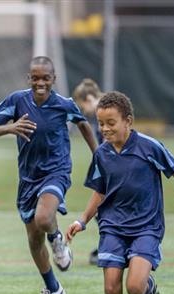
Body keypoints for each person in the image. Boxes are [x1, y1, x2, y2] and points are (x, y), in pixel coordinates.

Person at [66, 91, 174, 294]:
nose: (104, 129)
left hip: (146, 227)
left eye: (111, 123)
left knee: (135, 287)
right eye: (101, 123)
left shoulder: (149, 147)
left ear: (128, 121)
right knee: (112, 290)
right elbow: (99, 192)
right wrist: (82, 220)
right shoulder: (101, 154)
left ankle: (150, 289)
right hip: (112, 227)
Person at [0, 56, 97, 294]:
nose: (40, 82)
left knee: (44, 218)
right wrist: (10, 128)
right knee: (34, 240)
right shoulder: (17, 101)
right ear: (29, 78)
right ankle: (53, 290)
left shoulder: (63, 104)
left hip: (56, 172)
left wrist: (99, 155)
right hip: (27, 180)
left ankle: (57, 240)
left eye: (46, 78)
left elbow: (83, 124)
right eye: (35, 77)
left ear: (53, 79)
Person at [72, 78, 104, 265]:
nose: (84, 111)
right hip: (103, 166)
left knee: (102, 208)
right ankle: (107, 247)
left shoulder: (104, 111)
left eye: (82, 105)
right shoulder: (103, 111)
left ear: (89, 98)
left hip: (109, 167)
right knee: (101, 209)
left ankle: (109, 249)